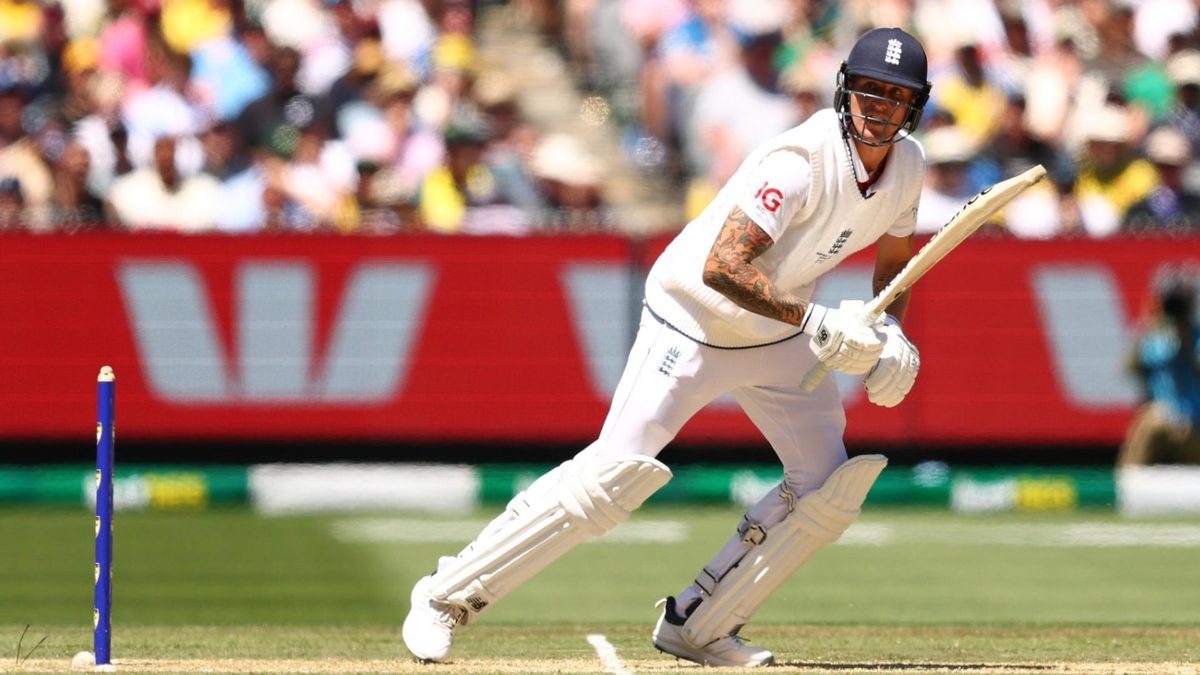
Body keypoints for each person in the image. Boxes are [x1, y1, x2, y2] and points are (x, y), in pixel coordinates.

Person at [403, 26, 930, 668]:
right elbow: (723, 266)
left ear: (913, 107)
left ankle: (699, 625)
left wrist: (891, 331)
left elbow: (895, 266)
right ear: (846, 89)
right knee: (611, 477)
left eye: (894, 97)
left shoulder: (909, 168)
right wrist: (818, 321)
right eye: (869, 90)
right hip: (694, 317)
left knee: (827, 487)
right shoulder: (798, 162)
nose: (878, 107)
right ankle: (444, 596)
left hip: (780, 333)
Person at [1117, 272, 1200, 466]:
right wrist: (1147, 326)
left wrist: (1185, 342)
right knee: (1146, 431)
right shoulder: (1152, 336)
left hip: (1194, 420)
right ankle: (1127, 489)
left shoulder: (1196, 337)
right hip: (1158, 416)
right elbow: (1129, 367)